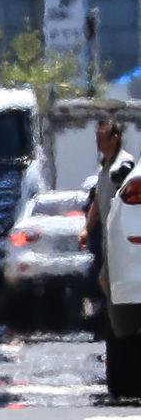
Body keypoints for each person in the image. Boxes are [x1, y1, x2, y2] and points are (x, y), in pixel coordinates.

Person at [78, 120, 135, 296]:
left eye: (101, 136)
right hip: (109, 237)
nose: (97, 140)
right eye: (97, 136)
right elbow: (97, 200)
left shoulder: (123, 166)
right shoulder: (105, 166)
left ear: (114, 139)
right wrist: (87, 229)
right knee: (107, 280)